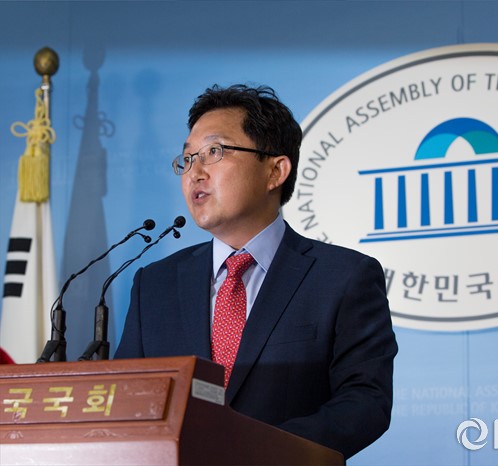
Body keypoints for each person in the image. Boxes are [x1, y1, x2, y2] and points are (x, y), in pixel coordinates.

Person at [114, 84, 398, 459]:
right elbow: (126, 399)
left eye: (214, 151)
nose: (195, 172)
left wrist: (257, 450)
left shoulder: (343, 277)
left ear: (275, 171)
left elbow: (365, 402)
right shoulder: (154, 285)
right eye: (187, 158)